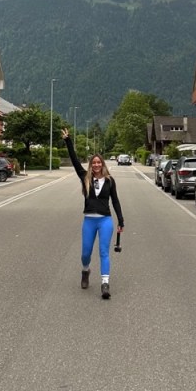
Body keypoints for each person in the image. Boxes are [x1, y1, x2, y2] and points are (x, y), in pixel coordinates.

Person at [61, 128, 124, 299]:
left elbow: (115, 201)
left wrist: (121, 221)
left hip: (105, 220)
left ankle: (105, 283)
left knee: (104, 252)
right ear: (91, 165)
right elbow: (74, 160)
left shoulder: (110, 181)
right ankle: (85, 270)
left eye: (99, 162)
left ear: (102, 164)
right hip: (89, 220)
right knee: (85, 253)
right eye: (93, 163)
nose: (96, 165)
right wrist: (68, 140)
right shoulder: (85, 177)